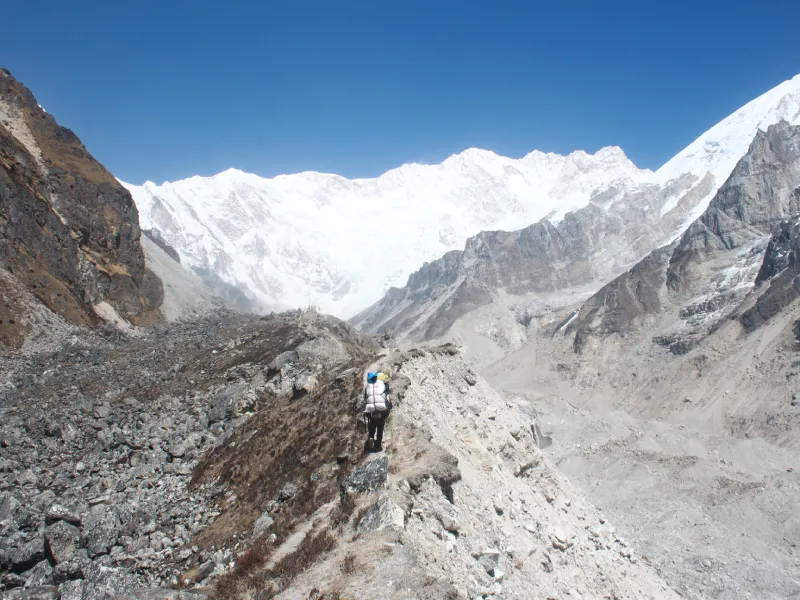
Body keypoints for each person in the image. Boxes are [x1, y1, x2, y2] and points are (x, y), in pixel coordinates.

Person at [364, 371, 391, 452]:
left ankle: (371, 437)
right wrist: (389, 408)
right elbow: (387, 397)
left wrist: (367, 413)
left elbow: (365, 399)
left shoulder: (368, 387)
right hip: (382, 410)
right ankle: (378, 446)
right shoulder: (383, 385)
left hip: (371, 410)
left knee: (372, 425)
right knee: (380, 427)